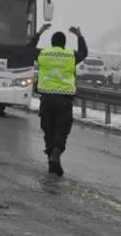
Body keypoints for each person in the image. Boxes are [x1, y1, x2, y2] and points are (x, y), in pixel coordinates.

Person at [30, 24, 87, 177]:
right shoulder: (70, 55)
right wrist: (79, 36)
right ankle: (55, 155)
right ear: (64, 44)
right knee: (61, 131)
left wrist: (40, 32)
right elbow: (84, 52)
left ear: (52, 43)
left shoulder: (43, 53)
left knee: (48, 130)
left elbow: (29, 48)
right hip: (64, 100)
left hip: (47, 98)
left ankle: (52, 160)